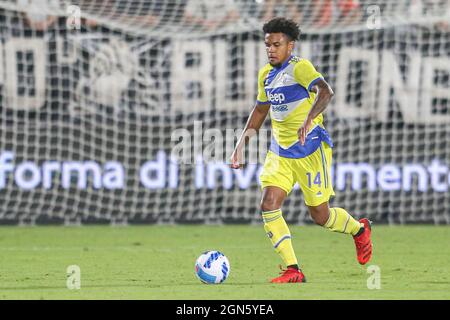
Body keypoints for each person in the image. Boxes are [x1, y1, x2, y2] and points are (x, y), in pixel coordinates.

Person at [230, 17, 373, 283]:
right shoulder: (266, 74)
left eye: (277, 44)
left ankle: (359, 229)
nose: (271, 49)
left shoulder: (300, 68)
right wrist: (241, 146)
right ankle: (293, 269)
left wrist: (309, 119)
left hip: (310, 150)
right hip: (280, 151)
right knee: (268, 203)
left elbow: (325, 92)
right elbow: (261, 110)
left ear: (290, 45)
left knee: (321, 215)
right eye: (268, 45)